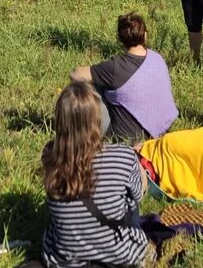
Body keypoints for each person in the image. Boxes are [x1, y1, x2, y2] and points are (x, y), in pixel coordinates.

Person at [40, 81, 148, 268]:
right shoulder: (123, 155)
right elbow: (138, 195)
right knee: (131, 198)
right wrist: (140, 169)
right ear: (98, 119)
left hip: (64, 260)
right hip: (122, 256)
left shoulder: (51, 157)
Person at [70, 12, 178, 141]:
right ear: (145, 35)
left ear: (120, 38)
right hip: (163, 129)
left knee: (88, 87)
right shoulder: (157, 58)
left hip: (128, 138)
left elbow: (75, 75)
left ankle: (81, 134)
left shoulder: (115, 67)